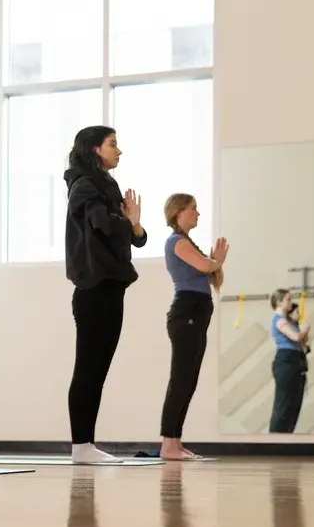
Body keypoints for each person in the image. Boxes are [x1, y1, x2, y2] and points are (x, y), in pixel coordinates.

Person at [64, 126, 147, 464]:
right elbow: (105, 224)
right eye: (113, 144)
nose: (119, 150)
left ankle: (86, 445)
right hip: (94, 289)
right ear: (95, 149)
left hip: (111, 287)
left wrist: (135, 223)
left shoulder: (106, 186)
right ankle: (81, 446)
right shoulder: (84, 186)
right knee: (88, 369)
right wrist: (128, 221)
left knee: (97, 370)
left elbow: (135, 236)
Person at [158, 193, 228, 461]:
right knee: (180, 379)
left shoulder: (190, 243)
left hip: (197, 314)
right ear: (179, 213)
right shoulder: (175, 242)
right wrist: (214, 261)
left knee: (189, 381)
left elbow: (215, 277)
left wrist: (215, 262)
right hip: (185, 313)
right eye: (193, 209)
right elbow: (205, 266)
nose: (197, 213)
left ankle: (175, 442)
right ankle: (169, 444)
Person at [268, 288, 309, 433]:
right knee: (283, 403)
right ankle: (274, 438)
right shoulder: (279, 321)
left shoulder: (289, 321)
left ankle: (286, 435)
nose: (291, 302)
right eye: (288, 299)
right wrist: (304, 329)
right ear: (279, 302)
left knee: (294, 404)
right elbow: (296, 337)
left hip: (296, 363)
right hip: (285, 363)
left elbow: (303, 344)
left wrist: (303, 331)